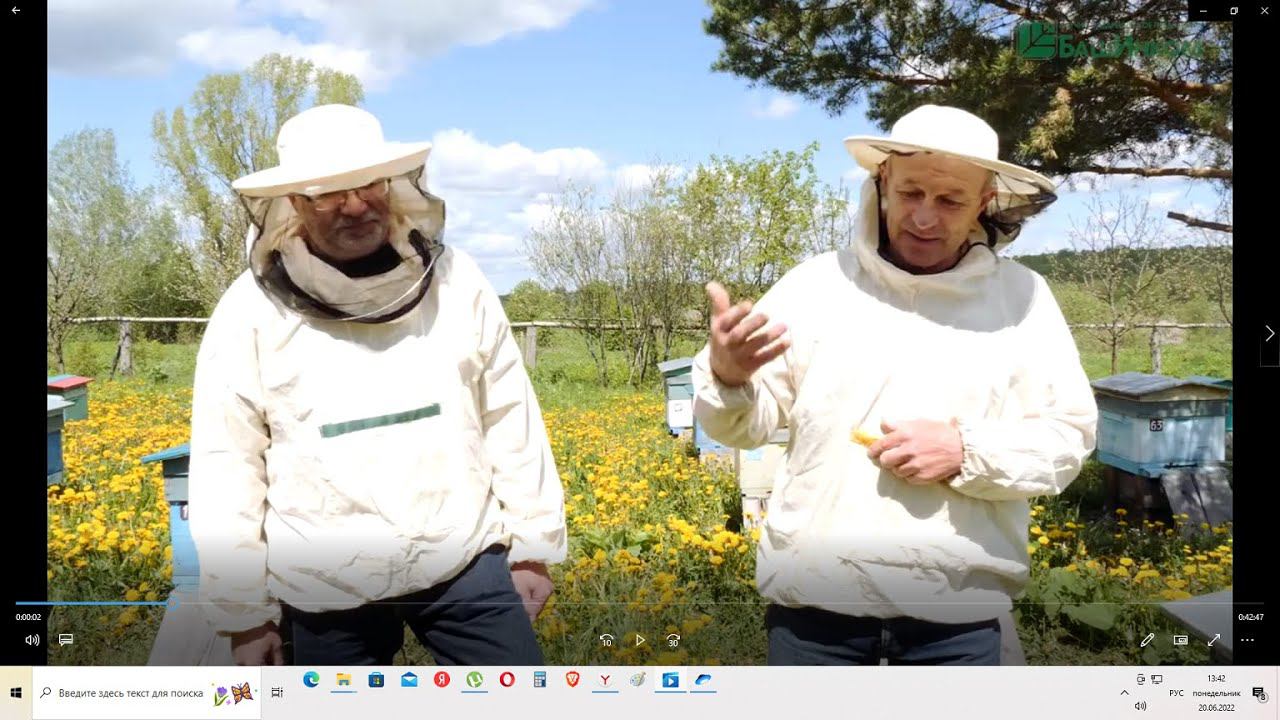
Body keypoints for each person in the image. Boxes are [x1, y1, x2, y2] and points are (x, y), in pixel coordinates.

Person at [693, 105, 1098, 665]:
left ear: (984, 201)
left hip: (956, 622)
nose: (925, 218)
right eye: (911, 193)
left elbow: (1067, 439)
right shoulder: (815, 285)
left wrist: (966, 451)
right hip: (815, 615)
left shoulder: (1021, 299)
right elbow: (738, 426)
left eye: (951, 200)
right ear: (882, 182)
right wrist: (730, 374)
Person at [188, 104, 566, 666]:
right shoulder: (249, 310)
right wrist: (245, 614)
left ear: (390, 184)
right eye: (327, 193)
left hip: (463, 552)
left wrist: (532, 549)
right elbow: (229, 461)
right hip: (324, 576)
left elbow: (508, 412)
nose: (355, 205)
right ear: (293, 201)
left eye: (367, 184)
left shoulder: (458, 281)